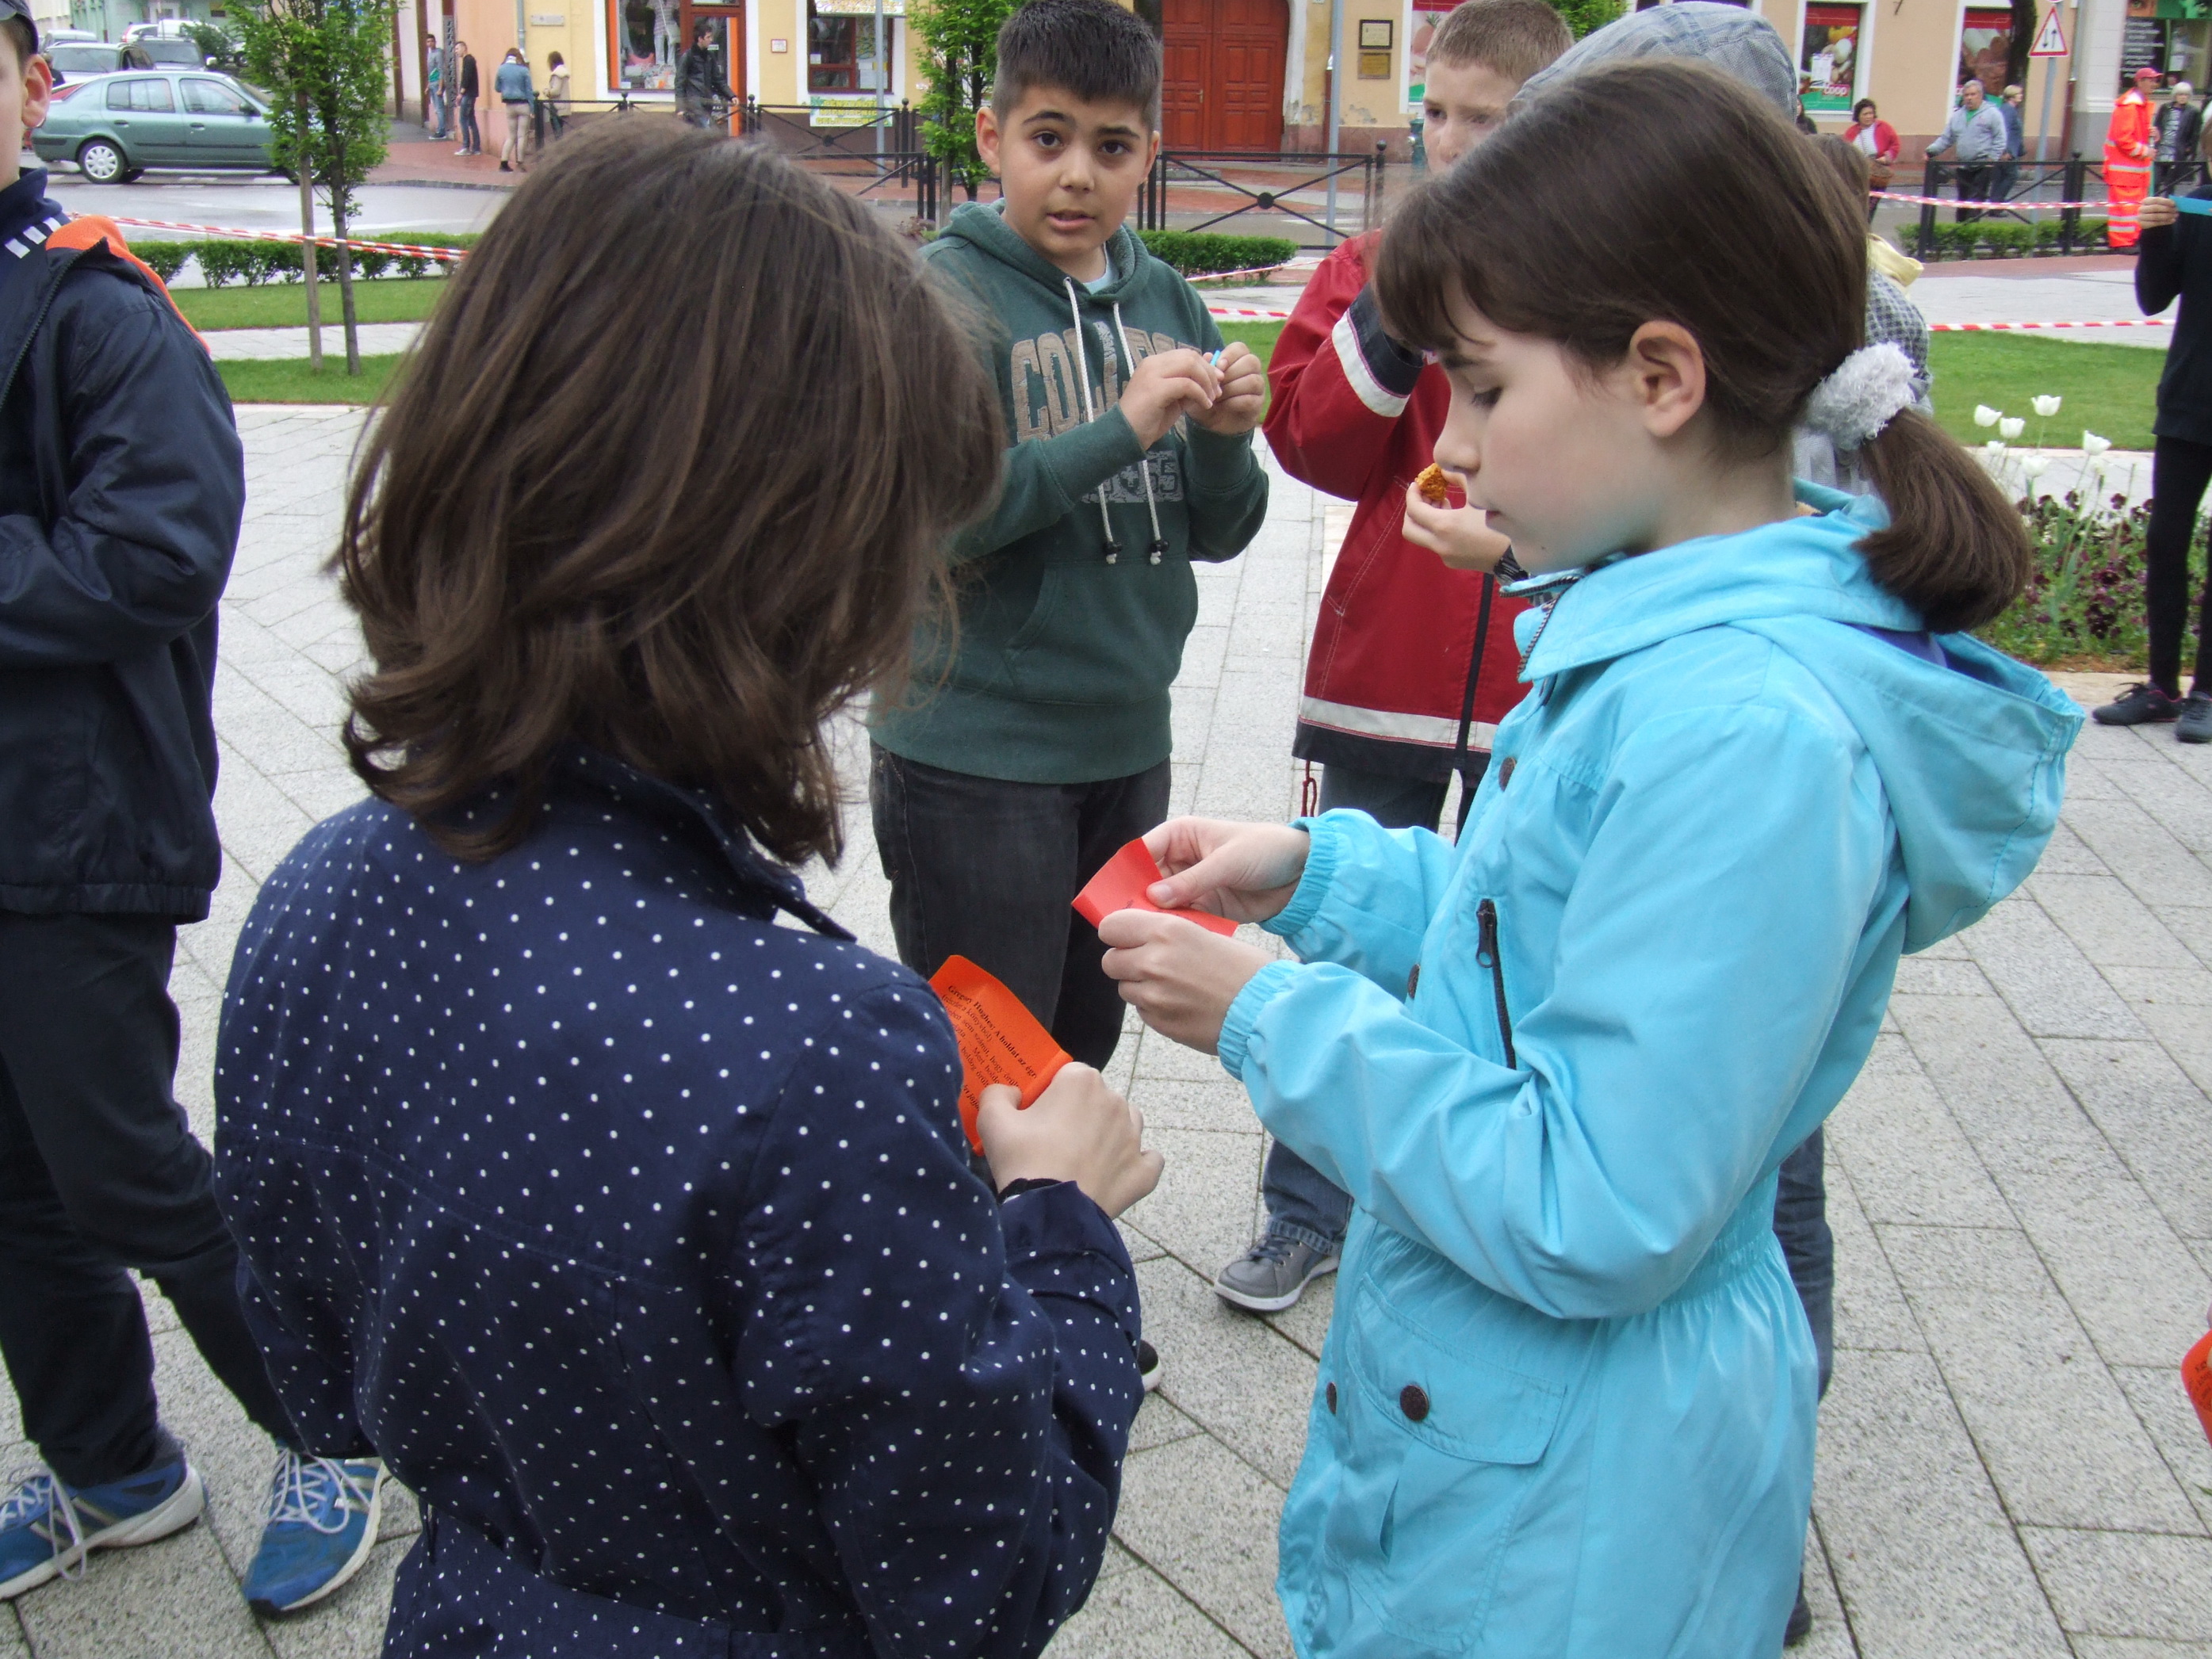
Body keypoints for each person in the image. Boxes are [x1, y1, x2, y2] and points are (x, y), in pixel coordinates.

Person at [1099, 57, 2080, 1659]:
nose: (1455, 442)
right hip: (1522, 1449)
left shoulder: (1740, 733)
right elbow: (1544, 933)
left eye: (1486, 388)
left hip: (1573, 1519)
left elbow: (1601, 1200)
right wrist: (1321, 878)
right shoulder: (1652, 639)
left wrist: (1272, 1017)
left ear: (1662, 377)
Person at [215, 118, 1166, 1657]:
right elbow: (985, 1576)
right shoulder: (820, 1053)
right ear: (804, 559)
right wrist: (1060, 1223)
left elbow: (314, 1368)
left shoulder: (318, 899)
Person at [0, 0, 385, 1617]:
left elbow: (155, 551)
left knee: (119, 1165)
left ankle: (336, 1432)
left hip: (71, 827)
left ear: (35, 85)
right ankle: (113, 1469)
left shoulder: (95, 305)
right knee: (17, 1180)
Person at [867, 0, 1269, 1237]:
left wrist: (1223, 438)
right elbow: (940, 514)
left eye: (1111, 145)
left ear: (1147, 154)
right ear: (992, 139)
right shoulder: (946, 294)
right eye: (1048, 139)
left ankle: (1049, 1270)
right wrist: (1120, 427)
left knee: (1084, 1036)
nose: (1078, 174)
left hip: (1122, 742)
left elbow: (1222, 529)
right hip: (975, 752)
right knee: (987, 1059)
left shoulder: (1168, 301)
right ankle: (963, 1297)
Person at [1219, 0, 1570, 1318]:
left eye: (1492, 118)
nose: (1457, 142)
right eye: (1438, 113)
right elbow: (1314, 443)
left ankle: (1493, 1194)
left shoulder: (1583, 277)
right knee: (1342, 935)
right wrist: (1400, 307)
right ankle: (1304, 1210)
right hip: (1382, 674)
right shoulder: (1367, 267)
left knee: (1527, 941)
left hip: (1540, 680)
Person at [2094, 187, 2212, 740]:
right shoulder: (2195, 209)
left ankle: (2206, 692)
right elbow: (2152, 298)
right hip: (2189, 401)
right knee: (2166, 541)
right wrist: (2156, 236)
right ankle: (2163, 688)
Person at [1927, 77, 2008, 223]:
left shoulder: (1992, 114)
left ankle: (1970, 232)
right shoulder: (1958, 116)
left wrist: (1992, 159)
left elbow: (2000, 138)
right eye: (1966, 95)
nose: (1969, 98)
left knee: (1975, 203)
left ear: (1981, 95)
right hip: (1963, 166)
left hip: (1983, 165)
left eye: (1973, 94)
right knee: (1962, 202)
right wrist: (1931, 151)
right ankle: (1960, 230)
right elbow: (1947, 138)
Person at [2108, 65, 2160, 248]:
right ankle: (2122, 243)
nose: (2155, 84)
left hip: (2134, 172)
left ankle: (2130, 240)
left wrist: (2154, 134)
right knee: (2125, 211)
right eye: (2151, 80)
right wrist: (2146, 151)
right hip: (2126, 172)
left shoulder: (2140, 105)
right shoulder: (2130, 106)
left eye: (2156, 80)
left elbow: (2135, 135)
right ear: (2140, 82)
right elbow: (2123, 139)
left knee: (2132, 210)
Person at [675, 17, 730, 128]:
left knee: (699, 132)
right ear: (700, 39)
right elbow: (680, 83)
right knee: (707, 131)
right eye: (708, 37)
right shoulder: (688, 57)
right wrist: (680, 108)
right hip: (694, 103)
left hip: (707, 102)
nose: (711, 40)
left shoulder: (710, 56)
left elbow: (718, 79)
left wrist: (731, 96)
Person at [1845, 95, 1900, 201]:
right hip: (1857, 174)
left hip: (1877, 175)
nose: (1869, 117)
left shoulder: (1884, 127)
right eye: (1865, 114)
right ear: (1858, 116)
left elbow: (1895, 145)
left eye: (1871, 113)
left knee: (1871, 205)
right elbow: (1844, 151)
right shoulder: (1851, 132)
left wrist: (1887, 157)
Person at [2157, 80, 2202, 197]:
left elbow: (2195, 133)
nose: (2183, 97)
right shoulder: (2165, 108)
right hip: (2162, 148)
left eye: (2186, 95)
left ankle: (2167, 201)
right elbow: (2157, 125)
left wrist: (2189, 149)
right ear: (2175, 95)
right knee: (2156, 180)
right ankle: (2153, 200)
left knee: (2170, 182)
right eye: (2180, 94)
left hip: (2177, 150)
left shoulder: (2193, 112)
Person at [494, 45, 531, 172]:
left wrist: (506, 87)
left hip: (509, 105)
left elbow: (497, 88)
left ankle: (504, 162)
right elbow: (529, 91)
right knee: (522, 136)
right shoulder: (524, 70)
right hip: (523, 104)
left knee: (511, 136)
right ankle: (520, 163)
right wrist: (532, 108)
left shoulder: (501, 69)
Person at [1993, 81, 2026, 205]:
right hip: (2007, 153)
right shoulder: (2008, 110)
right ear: (2011, 96)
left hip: (2008, 150)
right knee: (2011, 176)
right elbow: (2004, 130)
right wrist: (2005, 151)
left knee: (2000, 178)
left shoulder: (2008, 109)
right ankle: (1997, 203)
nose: (2021, 96)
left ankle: (1995, 205)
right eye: (2019, 93)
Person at [453, 41, 480, 157]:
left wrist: (461, 93)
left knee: (463, 119)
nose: (456, 51)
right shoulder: (469, 60)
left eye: (457, 49)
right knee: (471, 120)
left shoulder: (468, 60)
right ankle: (476, 148)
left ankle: (466, 147)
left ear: (464, 48)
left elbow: (466, 78)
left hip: (468, 94)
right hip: (471, 94)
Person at [543, 48, 568, 139]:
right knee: (560, 131)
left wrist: (546, 91)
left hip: (557, 107)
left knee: (558, 133)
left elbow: (556, 91)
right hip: (563, 105)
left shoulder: (557, 74)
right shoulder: (563, 72)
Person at [424, 32, 446, 138]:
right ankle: (439, 129)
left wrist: (440, 88)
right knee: (436, 108)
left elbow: (440, 70)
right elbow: (431, 72)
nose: (430, 43)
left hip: (437, 84)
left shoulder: (438, 53)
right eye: (428, 42)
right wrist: (428, 86)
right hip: (432, 83)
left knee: (439, 108)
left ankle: (442, 131)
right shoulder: (430, 54)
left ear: (435, 42)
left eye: (432, 41)